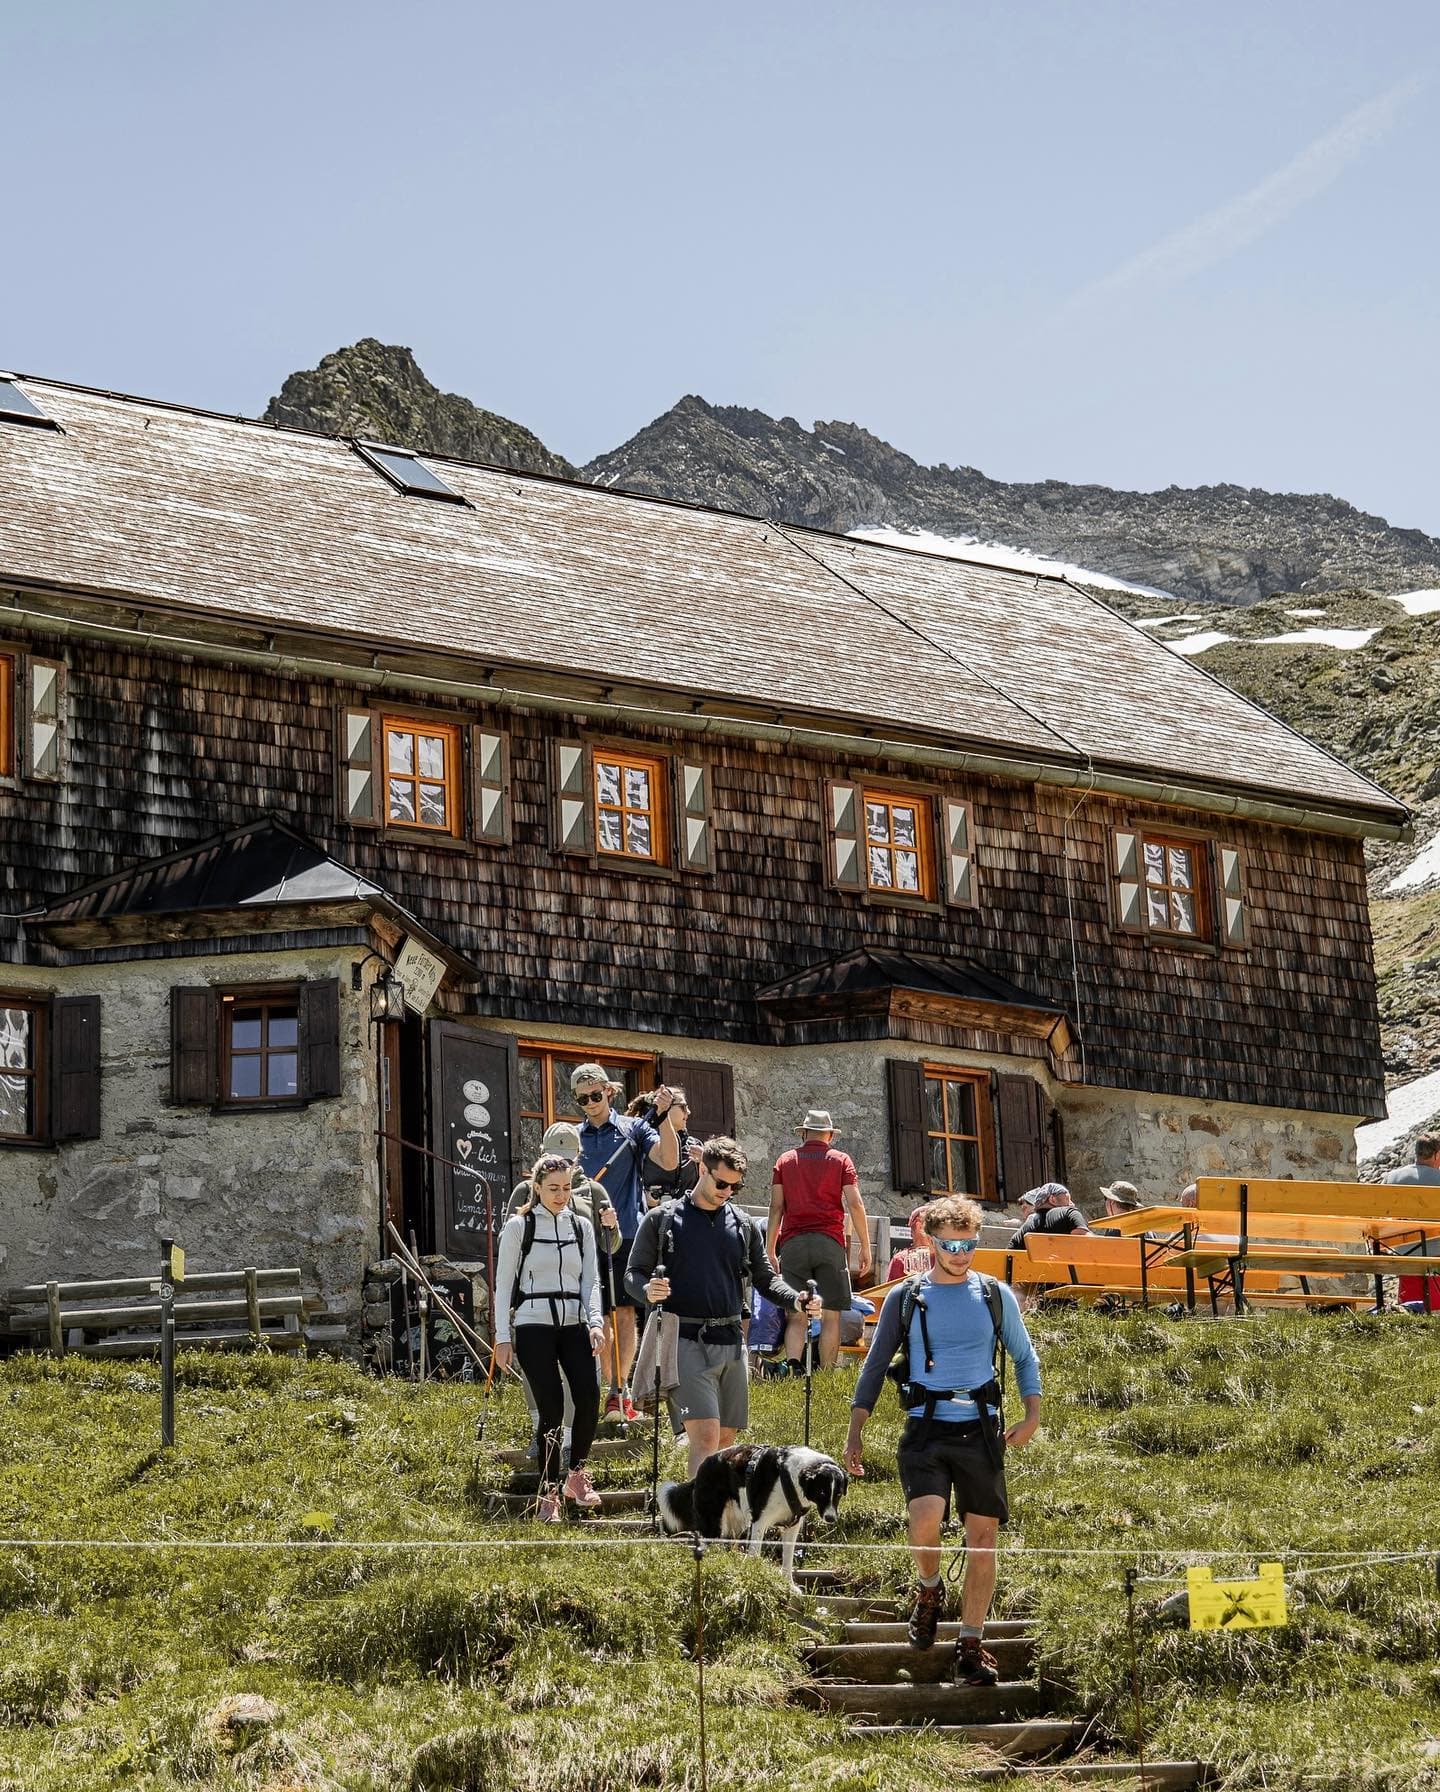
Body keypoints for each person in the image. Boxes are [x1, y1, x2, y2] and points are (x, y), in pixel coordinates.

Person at [843, 1195, 1042, 1687]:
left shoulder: (993, 1294)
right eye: (951, 1244)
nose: (960, 1253)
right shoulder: (907, 1296)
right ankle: (929, 1589)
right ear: (931, 1241)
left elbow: (1024, 1356)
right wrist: (856, 1428)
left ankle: (970, 1645)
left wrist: (1032, 1414)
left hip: (981, 1429)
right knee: (924, 1518)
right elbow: (875, 1363)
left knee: (983, 1540)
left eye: (968, 1243)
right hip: (926, 1428)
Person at [626, 1136, 823, 1475]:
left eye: (736, 1186)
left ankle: (714, 1506)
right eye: (721, 1183)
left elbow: (765, 1278)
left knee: (726, 1442)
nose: (727, 1192)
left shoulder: (743, 1225)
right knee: (706, 1436)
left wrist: (797, 1299)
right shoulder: (662, 1220)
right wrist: (648, 1290)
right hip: (684, 1341)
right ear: (702, 1169)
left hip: (732, 1343)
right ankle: (700, 1508)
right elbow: (632, 1274)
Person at [493, 1154, 609, 1522]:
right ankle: (548, 1493)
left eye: (567, 1188)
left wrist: (595, 1322)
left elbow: (591, 1279)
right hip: (533, 1325)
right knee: (552, 1409)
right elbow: (503, 1285)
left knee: (589, 1396)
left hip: (575, 1323)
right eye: (553, 1188)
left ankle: (576, 1474)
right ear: (537, 1188)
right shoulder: (519, 1227)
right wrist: (501, 1337)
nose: (561, 1195)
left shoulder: (581, 1226)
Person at [505, 1123, 620, 1462]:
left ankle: (571, 1440)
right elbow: (510, 1242)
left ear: (578, 1155)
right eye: (556, 1156)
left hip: (579, 1297)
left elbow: (610, 1246)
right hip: (534, 1301)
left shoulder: (594, 1191)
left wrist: (612, 1227)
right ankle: (541, 1431)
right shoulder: (525, 1189)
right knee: (541, 1378)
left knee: (581, 1380)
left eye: (568, 1157)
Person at [571, 1065, 680, 1420]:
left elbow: (669, 1160)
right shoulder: (573, 1137)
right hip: (584, 1236)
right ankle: (607, 1389)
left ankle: (620, 1391)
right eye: (582, 1099)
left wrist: (664, 1117)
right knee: (597, 1315)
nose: (590, 1103)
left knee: (623, 1313)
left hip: (626, 1235)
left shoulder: (632, 1128)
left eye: (595, 1095)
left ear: (608, 1091)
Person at [768, 1109, 872, 1371]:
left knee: (797, 1313)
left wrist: (770, 1249)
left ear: (803, 1133)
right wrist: (865, 1246)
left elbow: (776, 1206)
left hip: (793, 1243)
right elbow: (855, 1204)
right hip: (830, 1243)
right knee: (831, 1315)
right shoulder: (841, 1160)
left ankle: (793, 1369)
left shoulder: (785, 1160)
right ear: (830, 1135)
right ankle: (825, 1373)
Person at [1383, 1134, 1440, 1311]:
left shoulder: (1392, 1178)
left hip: (1406, 1254)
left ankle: (1409, 1309)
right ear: (1437, 1155)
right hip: (1436, 1255)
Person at [629, 1088, 704, 1205]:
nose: (688, 1112)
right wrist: (642, 1196)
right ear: (665, 1106)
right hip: (649, 1213)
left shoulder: (695, 1146)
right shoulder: (643, 1143)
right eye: (683, 1107)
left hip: (686, 1213)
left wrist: (707, 1162)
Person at [1007, 1181, 1090, 1250]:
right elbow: (1090, 1243)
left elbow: (1009, 1254)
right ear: (1052, 1199)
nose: (1072, 1204)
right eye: (1067, 1199)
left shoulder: (1023, 1230)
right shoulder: (1069, 1213)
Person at [887, 1206, 936, 1282]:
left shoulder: (946, 1258)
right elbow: (892, 1288)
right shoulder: (901, 1260)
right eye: (935, 1225)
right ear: (919, 1226)